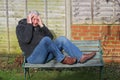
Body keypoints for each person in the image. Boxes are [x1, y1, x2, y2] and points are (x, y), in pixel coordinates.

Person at [16, 10, 96, 65]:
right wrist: (29, 23)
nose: (36, 22)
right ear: (29, 18)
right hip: (33, 58)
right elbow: (26, 39)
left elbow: (50, 38)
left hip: (46, 56)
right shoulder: (21, 27)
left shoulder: (38, 27)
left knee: (61, 39)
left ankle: (81, 57)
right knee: (45, 40)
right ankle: (62, 59)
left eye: (37, 19)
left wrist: (42, 25)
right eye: (34, 19)